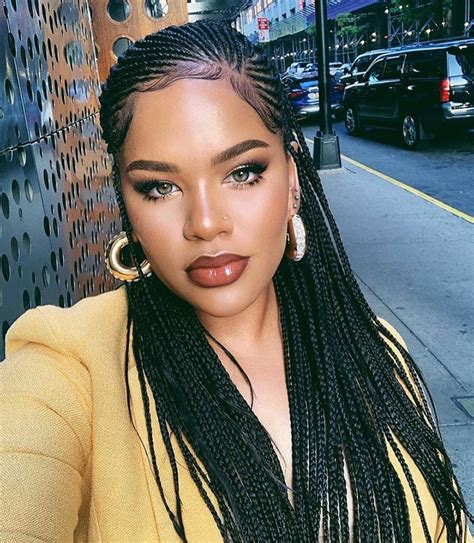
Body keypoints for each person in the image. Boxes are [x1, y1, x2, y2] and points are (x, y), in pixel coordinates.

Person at [1, 20, 472, 543]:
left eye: (243, 172)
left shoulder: (377, 351)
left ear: (292, 182)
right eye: (159, 187)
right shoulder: (70, 365)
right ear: (127, 204)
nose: (205, 223)